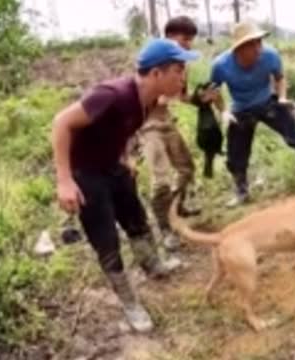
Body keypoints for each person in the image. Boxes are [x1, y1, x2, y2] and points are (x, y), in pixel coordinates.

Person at [51, 38, 199, 332]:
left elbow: (118, 129)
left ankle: (152, 264)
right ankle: (130, 302)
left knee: (137, 219)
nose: (183, 77)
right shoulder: (112, 94)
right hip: (86, 174)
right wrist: (65, 180)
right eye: (178, 70)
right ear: (157, 74)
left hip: (113, 167)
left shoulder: (149, 103)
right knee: (106, 240)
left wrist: (125, 157)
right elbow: (61, 123)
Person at [210, 21, 295, 207]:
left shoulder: (270, 55)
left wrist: (282, 97)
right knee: (236, 154)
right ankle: (241, 192)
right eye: (252, 44)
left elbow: (279, 77)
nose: (258, 48)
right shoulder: (221, 65)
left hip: (267, 102)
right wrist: (224, 111)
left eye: (259, 42)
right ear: (239, 48)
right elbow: (214, 91)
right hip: (241, 109)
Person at [136, 16, 218, 252]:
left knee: (186, 168)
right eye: (184, 39)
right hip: (147, 126)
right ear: (169, 37)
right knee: (160, 180)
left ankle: (176, 207)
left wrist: (200, 99)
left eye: (191, 40)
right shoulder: (154, 59)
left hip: (166, 122)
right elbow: (138, 96)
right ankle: (165, 229)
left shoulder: (181, 64)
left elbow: (180, 96)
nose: (189, 45)